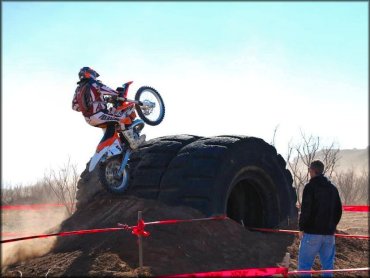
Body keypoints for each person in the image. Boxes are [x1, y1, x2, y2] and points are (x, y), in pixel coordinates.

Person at [72, 66, 145, 150]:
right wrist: (117, 94)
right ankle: (133, 142)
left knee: (113, 122)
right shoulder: (94, 83)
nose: (95, 77)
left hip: (89, 119)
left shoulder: (78, 89)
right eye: (94, 75)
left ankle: (118, 144)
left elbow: (74, 107)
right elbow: (111, 92)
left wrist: (90, 106)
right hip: (99, 115)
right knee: (124, 118)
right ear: (90, 73)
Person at [298, 160, 342, 277]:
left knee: (304, 267)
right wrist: (332, 226)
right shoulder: (333, 188)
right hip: (329, 234)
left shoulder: (310, 187)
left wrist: (301, 228)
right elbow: (339, 210)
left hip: (312, 233)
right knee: (328, 267)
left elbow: (306, 210)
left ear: (312, 170)